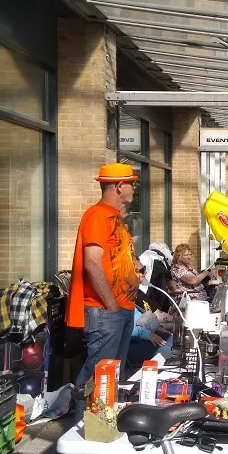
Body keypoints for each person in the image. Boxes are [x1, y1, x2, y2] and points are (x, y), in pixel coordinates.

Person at [67, 163, 140, 388]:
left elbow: (113, 256)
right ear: (119, 186)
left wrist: (134, 267)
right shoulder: (97, 215)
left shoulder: (114, 217)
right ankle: (83, 423)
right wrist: (111, 305)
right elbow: (92, 262)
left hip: (121, 309)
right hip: (106, 310)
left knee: (110, 375)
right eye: (131, 183)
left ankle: (102, 421)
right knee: (96, 374)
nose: (134, 188)